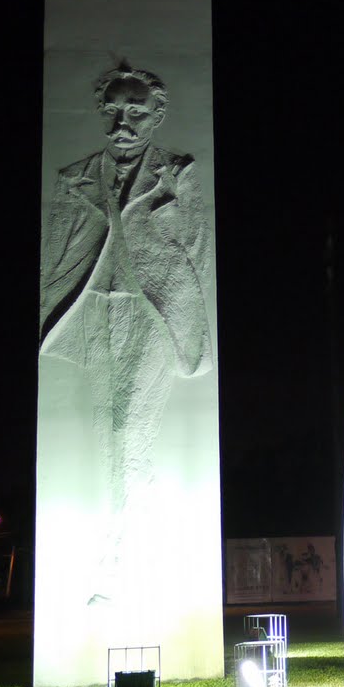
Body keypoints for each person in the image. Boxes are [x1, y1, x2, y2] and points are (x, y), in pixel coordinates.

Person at [40, 63, 212, 602]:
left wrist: (190, 327)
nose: (124, 122)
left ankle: (118, 564)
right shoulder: (76, 179)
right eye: (114, 110)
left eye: (137, 111)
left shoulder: (177, 174)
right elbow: (55, 256)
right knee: (108, 429)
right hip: (93, 313)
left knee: (127, 430)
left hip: (151, 315)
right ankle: (134, 539)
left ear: (157, 116)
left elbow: (197, 252)